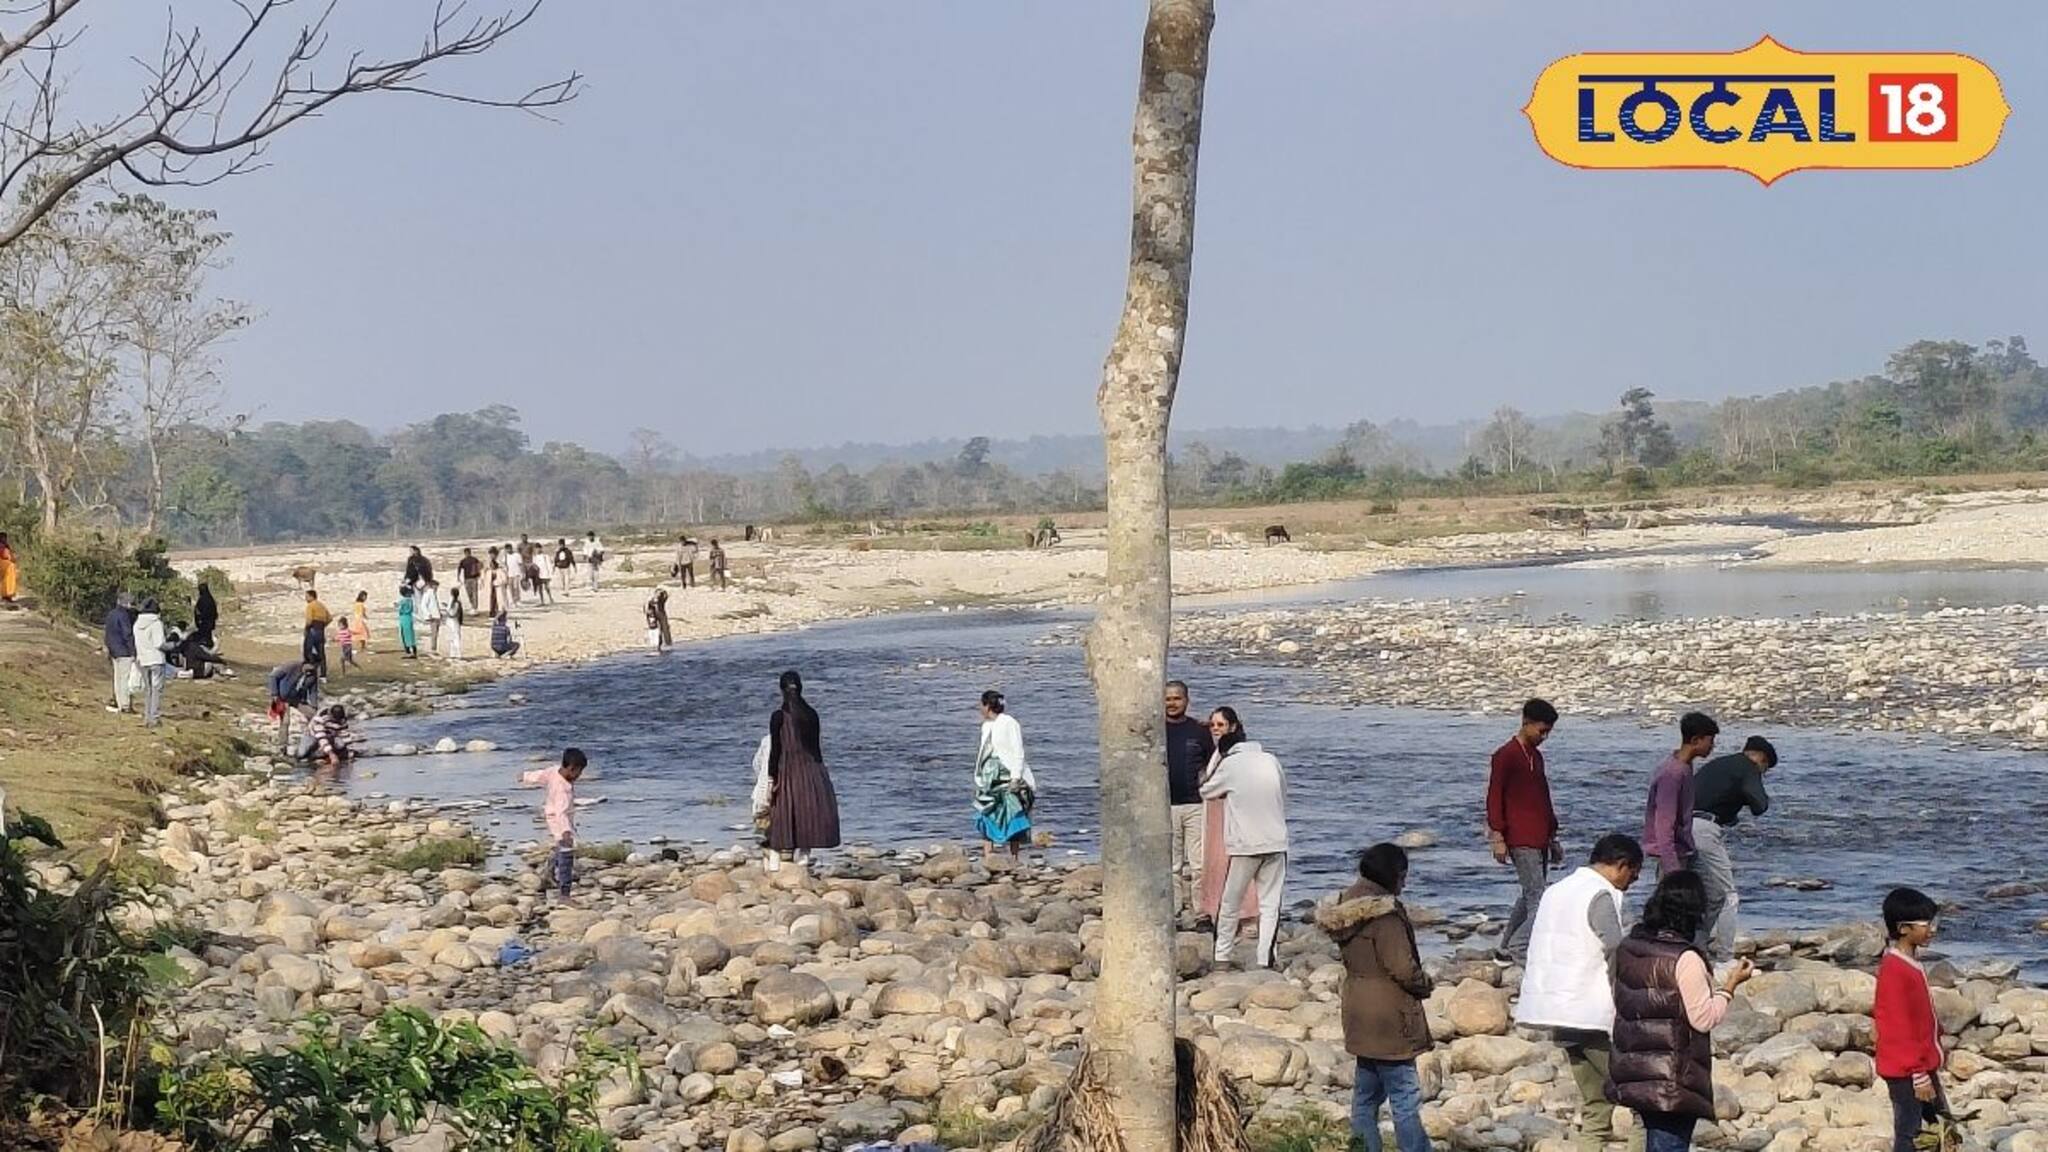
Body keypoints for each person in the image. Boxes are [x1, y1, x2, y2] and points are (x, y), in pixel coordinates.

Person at [1514, 834, 1648, 1152]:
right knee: (1642, 1104)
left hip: (1556, 1010)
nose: (1634, 880)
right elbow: (1613, 943)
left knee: (1595, 1105)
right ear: (1621, 865)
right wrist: (1626, 988)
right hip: (1591, 1012)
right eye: (1634, 873)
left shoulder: (1557, 890)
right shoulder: (1600, 894)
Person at [1607, 871, 1754, 1152]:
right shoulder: (1685, 958)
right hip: (1672, 1074)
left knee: (1655, 1140)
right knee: (1669, 1145)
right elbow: (1703, 1018)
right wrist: (1730, 987)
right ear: (1695, 911)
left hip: (1635, 1066)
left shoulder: (1630, 945)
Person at [1318, 842, 1433, 1152]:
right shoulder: (1384, 915)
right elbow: (1402, 968)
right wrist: (1426, 984)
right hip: (1390, 1015)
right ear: (1392, 876)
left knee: (1365, 1097)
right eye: (1403, 875)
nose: (1405, 882)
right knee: (1405, 1096)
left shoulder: (1343, 908)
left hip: (1357, 1007)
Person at [1200, 706, 1289, 968]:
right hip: (1276, 840)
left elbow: (1206, 791)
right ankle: (1266, 959)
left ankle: (1222, 956)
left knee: (1230, 902)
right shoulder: (1270, 760)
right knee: (1271, 904)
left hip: (1244, 845)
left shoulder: (1230, 764)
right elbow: (1283, 793)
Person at [1689, 735, 1777, 962]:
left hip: (1681, 827)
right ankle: (1724, 958)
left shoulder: (1720, 764)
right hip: (1704, 830)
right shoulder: (1748, 768)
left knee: (1696, 892)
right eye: (1765, 768)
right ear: (1761, 758)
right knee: (1728, 895)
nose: (1762, 773)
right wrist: (1752, 791)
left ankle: (1689, 946)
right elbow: (1760, 805)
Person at [1489, 697, 1563, 963]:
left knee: (1530, 892)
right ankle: (1524, 951)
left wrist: (1553, 837)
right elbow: (1494, 796)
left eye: (1547, 732)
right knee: (1538, 898)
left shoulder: (1536, 757)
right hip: (1521, 838)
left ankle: (1507, 947)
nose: (1544, 737)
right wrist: (1497, 835)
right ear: (1526, 723)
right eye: (1541, 731)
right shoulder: (1505, 756)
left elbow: (1543, 797)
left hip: (1541, 836)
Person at [1876, 887, 1947, 1152]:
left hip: (1919, 1064)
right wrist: (1918, 1073)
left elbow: (1918, 1013)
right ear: (1903, 928)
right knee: (1910, 1130)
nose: (1932, 930)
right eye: (1926, 924)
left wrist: (1937, 1035)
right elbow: (1897, 1027)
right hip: (1906, 1070)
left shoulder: (1909, 962)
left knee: (1940, 1124)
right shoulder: (1895, 969)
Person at [764, 670, 841, 871]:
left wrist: (771, 777)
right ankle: (804, 857)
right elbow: (816, 747)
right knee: (807, 812)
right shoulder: (811, 714)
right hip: (813, 769)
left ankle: (776, 860)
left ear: (781, 690)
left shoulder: (779, 717)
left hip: (788, 770)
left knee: (782, 814)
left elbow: (776, 749)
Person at [1165, 679, 1217, 925]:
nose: (1172, 703)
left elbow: (1212, 765)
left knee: (1198, 864)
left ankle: (1201, 912)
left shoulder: (1200, 731)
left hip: (1196, 804)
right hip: (1165, 805)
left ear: (1186, 700)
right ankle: (1173, 911)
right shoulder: (1155, 729)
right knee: (1172, 864)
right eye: (1167, 698)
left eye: (1177, 698)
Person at [1642, 712, 1719, 878]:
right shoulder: (1673, 774)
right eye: (1710, 741)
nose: (1712, 747)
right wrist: (1672, 869)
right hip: (1672, 854)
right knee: (1674, 901)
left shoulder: (1684, 766)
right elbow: (1664, 824)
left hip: (1684, 849)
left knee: (1713, 895)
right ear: (1695, 740)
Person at [519, 748, 588, 903]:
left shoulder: (554, 771)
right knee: (566, 855)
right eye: (579, 772)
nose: (579, 776)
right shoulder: (563, 789)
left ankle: (549, 873)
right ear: (571, 768)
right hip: (559, 822)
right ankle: (564, 894)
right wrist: (566, 831)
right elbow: (561, 812)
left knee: (559, 849)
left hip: (552, 816)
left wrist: (525, 776)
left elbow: (541, 775)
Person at [974, 690, 1035, 860]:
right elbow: (983, 753)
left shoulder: (1009, 722)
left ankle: (1014, 856)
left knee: (1012, 812)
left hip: (1006, 774)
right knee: (986, 810)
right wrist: (979, 776)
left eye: (981, 704)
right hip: (989, 777)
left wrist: (1016, 777)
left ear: (987, 706)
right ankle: (988, 853)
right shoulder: (986, 726)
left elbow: (1017, 750)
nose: (979, 708)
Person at [266, 660, 322, 757]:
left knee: (314, 716)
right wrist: (274, 694)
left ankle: (313, 743)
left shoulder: (312, 675)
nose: (311, 670)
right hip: (282, 698)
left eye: (314, 668)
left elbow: (313, 691)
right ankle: (282, 747)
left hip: (297, 698)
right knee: (285, 721)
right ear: (305, 664)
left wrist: (314, 705)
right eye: (309, 667)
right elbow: (273, 676)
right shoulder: (290, 667)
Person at [133, 598, 168, 727]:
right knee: (156, 690)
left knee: (147, 690)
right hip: (156, 660)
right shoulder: (156, 623)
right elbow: (159, 643)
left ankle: (147, 717)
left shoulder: (137, 624)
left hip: (143, 660)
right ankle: (154, 718)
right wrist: (172, 646)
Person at [104, 592, 137, 714]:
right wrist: (132, 651)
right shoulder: (124, 616)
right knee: (125, 679)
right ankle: (125, 705)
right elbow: (127, 634)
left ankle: (118, 702)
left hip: (114, 650)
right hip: (124, 651)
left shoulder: (111, 614)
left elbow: (107, 634)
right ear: (127, 603)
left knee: (117, 678)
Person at [303, 589, 332, 674]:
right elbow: (330, 618)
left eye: (307, 596)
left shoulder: (310, 606)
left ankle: (311, 671)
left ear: (312, 597)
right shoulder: (322, 605)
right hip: (320, 630)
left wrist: (306, 629)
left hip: (312, 630)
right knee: (321, 653)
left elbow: (309, 620)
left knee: (308, 651)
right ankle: (323, 674)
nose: (306, 598)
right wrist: (323, 625)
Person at [416, 578, 445, 657]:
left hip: (437, 616)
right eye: (436, 587)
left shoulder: (434, 594)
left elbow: (436, 605)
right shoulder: (428, 593)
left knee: (436, 633)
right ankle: (433, 649)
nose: (437, 588)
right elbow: (423, 605)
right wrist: (428, 614)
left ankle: (434, 648)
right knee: (434, 633)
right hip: (433, 616)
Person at [193, 581, 220, 649]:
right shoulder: (210, 599)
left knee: (204, 638)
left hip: (204, 622)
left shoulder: (203, 599)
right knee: (207, 636)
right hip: (209, 622)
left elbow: (202, 611)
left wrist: (200, 618)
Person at [396, 584, 418, 659]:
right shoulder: (410, 600)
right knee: (410, 634)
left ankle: (408, 651)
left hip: (403, 618)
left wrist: (397, 606)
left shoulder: (403, 601)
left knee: (404, 634)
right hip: (409, 617)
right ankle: (414, 651)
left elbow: (400, 609)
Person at [445, 587, 465, 660]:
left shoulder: (456, 603)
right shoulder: (456, 602)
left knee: (455, 637)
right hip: (451, 622)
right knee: (451, 637)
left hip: (453, 621)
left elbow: (452, 613)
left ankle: (458, 653)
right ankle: (452, 653)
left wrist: (447, 611)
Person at [0, 531, 17, 604]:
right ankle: (6, 595)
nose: (5, 539)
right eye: (3, 538)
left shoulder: (5, 546)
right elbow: (8, 556)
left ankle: (7, 596)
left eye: (5, 538)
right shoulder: (2, 546)